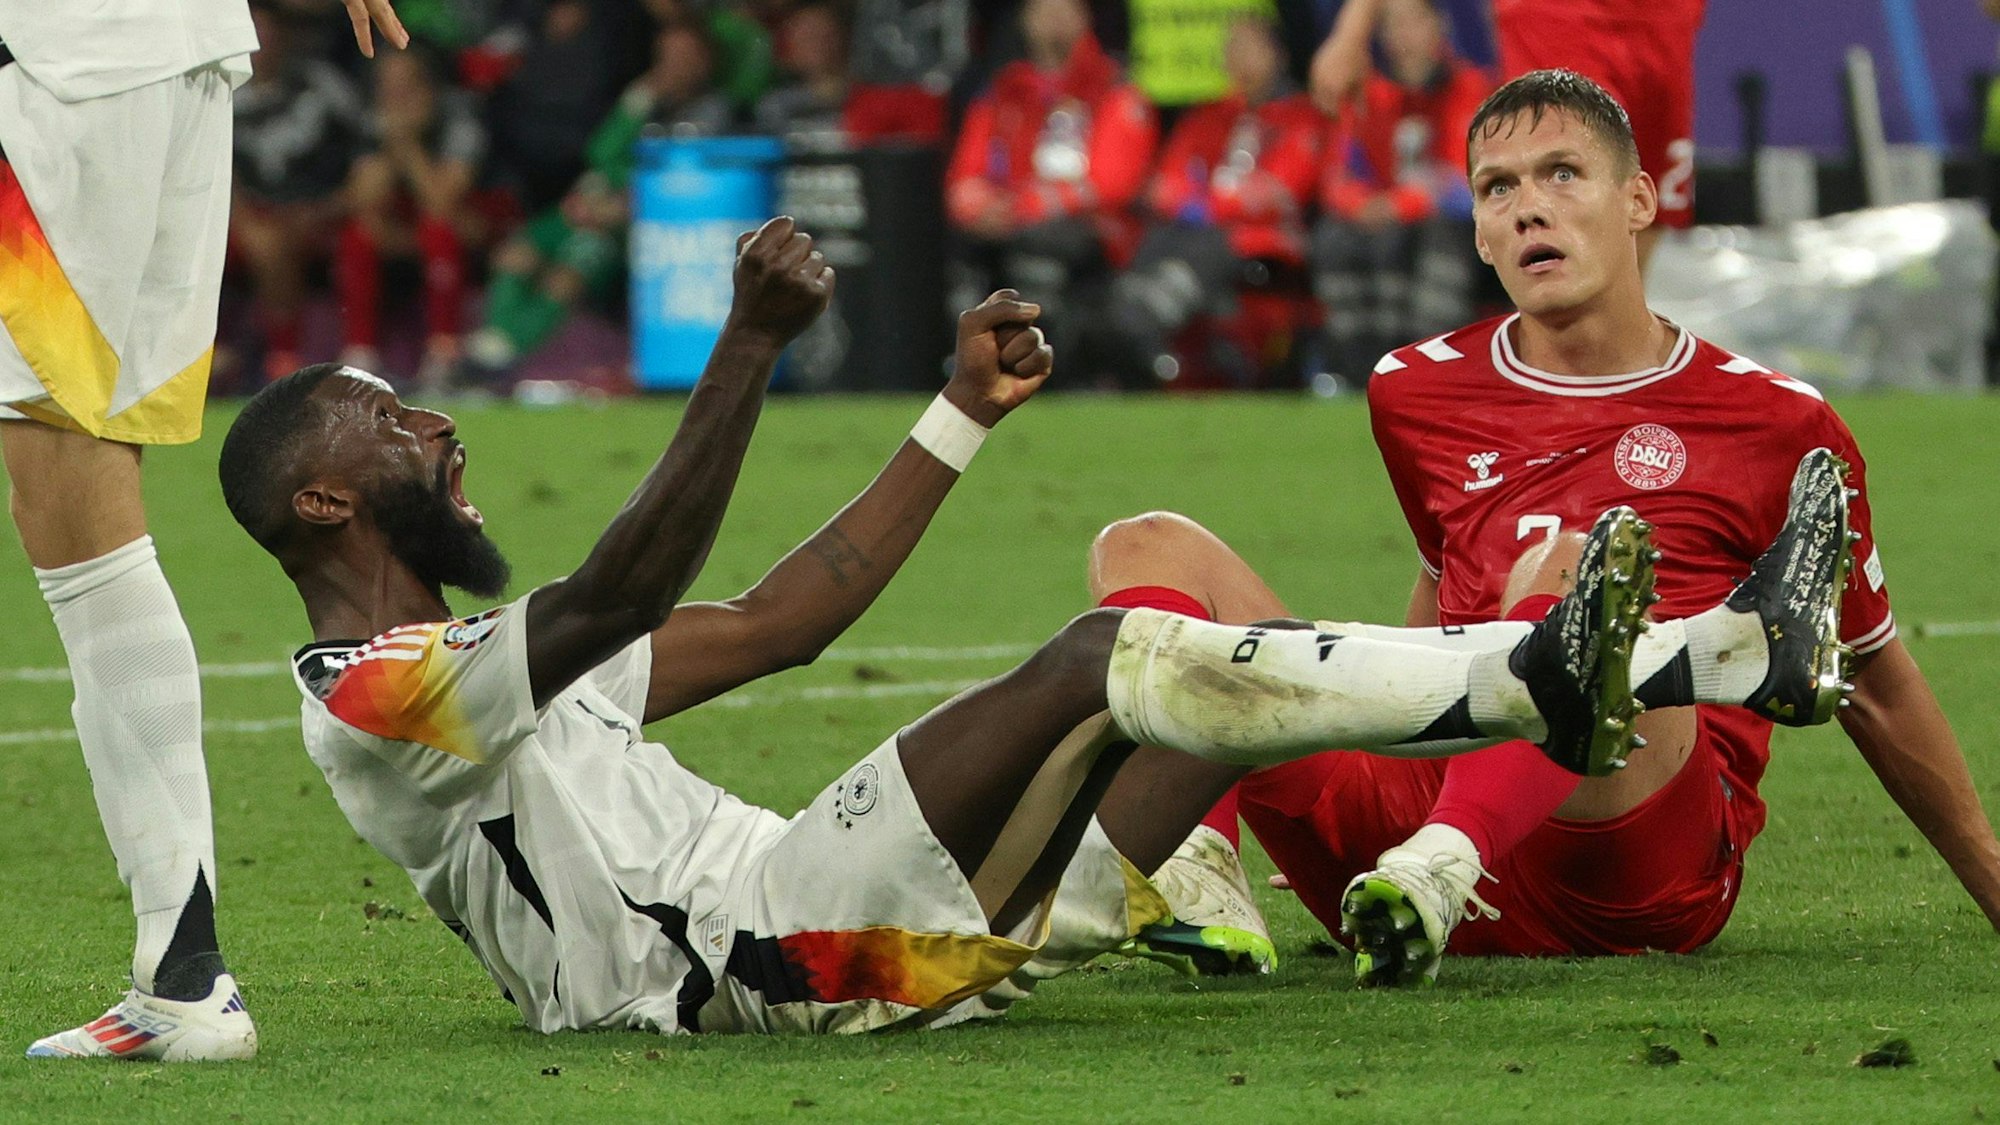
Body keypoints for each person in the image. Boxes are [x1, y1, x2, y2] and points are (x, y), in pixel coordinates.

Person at [215, 218, 1696, 1036]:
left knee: (1192, 688)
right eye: (391, 423)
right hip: (759, 963)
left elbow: (793, 616)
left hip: (852, 942)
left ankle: (1710, 651)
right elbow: (621, 592)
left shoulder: (493, 673)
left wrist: (959, 412)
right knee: (1107, 651)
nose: (434, 423)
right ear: (330, 503)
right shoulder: (369, 697)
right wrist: (748, 344)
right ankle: (1532, 677)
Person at [1102, 70, 2000, 989]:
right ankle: (1203, 877)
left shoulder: (1779, 423)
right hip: (1420, 817)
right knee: (1144, 546)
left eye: (1562, 174)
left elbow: (1873, 673)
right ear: (1482, 233)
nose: (1531, 207)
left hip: (1631, 856)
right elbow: (1440, 589)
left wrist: (1994, 882)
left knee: (1573, 571)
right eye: (1499, 187)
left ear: (1638, 199)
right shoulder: (1414, 390)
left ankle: (1449, 861)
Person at [0, 0, 408, 1062]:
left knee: (65, 475)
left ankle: (185, 979)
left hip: (70, 66)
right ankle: (179, 976)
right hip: (167, 60)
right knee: (80, 488)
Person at [1310, 0, 1703, 267]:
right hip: (1556, 15)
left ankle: (1615, 367)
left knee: (1646, 197)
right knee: (1561, 185)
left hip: (1663, 17)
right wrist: (1352, 31)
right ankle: (1564, 368)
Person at [465, 20, 732, 380]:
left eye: (684, 56)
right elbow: (600, 152)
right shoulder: (646, 103)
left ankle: (502, 362)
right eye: (666, 56)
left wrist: (624, 201)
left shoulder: (713, 111)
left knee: (564, 278)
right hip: (587, 207)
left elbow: (685, 181)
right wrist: (640, 97)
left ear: (704, 61)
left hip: (633, 225)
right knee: (516, 255)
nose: (673, 65)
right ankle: (494, 346)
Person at [1102, 14, 1322, 386]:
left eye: (1251, 46)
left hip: (1263, 240)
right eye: (1233, 47)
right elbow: (1164, 185)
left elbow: (1281, 189)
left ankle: (1139, 325)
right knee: (1156, 236)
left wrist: (1210, 202)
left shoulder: (1302, 117)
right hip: (1201, 232)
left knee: (1208, 244)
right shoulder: (1208, 116)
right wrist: (1197, 201)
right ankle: (1131, 317)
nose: (1240, 57)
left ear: (1278, 55)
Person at [944, 0, 1157, 377]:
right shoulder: (1004, 91)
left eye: (1066, 9)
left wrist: (1023, 208)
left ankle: (1050, 369)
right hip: (1011, 226)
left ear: (1085, 18)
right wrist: (981, 207)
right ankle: (970, 363)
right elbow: (965, 178)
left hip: (1098, 233)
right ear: (1025, 21)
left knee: (1046, 245)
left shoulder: (1114, 87)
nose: (1054, 20)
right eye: (1043, 10)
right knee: (954, 249)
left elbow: (1112, 184)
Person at [1311, 0, 1490, 386]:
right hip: (1385, 218)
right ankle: (1356, 367)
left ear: (1438, 28)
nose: (1403, 35)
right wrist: (1362, 205)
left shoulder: (1470, 88)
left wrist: (1395, 205)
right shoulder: (1369, 95)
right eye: (1393, 25)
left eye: (1413, 22)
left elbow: (1462, 176)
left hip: (1455, 224)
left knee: (1433, 236)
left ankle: (1433, 370)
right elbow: (1337, 172)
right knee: (1336, 236)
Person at [336, 43, 485, 388]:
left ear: (429, 88)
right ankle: (361, 355)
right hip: (401, 227)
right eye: (388, 89)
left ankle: (445, 353)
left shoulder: (458, 121)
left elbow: (441, 202)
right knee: (359, 233)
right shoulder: (370, 124)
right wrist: (393, 145)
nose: (396, 99)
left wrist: (408, 145)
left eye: (407, 88)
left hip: (467, 225)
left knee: (439, 231)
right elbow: (361, 199)